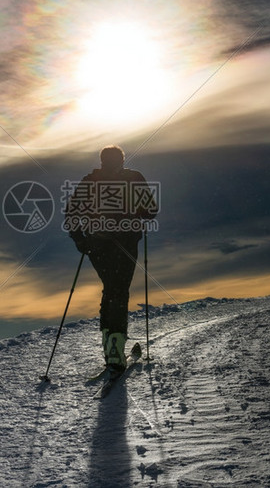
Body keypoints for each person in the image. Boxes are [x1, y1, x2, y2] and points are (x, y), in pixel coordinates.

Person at [65, 145, 157, 372]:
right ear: (122, 160)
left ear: (102, 160)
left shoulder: (90, 181)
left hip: (97, 244)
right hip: (126, 243)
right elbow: (151, 210)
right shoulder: (134, 178)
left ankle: (110, 344)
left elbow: (71, 212)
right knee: (119, 290)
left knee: (111, 288)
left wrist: (80, 240)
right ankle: (115, 347)